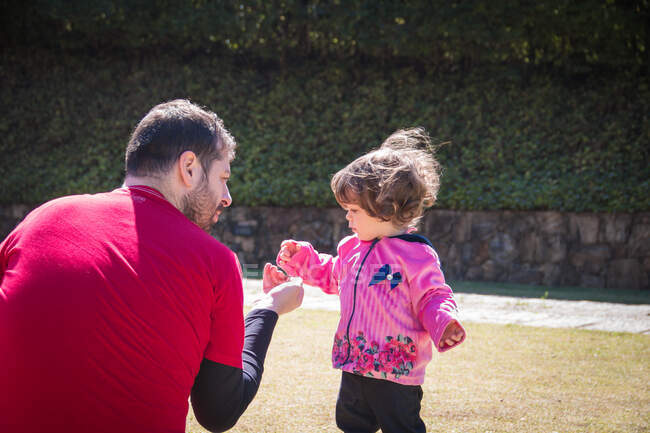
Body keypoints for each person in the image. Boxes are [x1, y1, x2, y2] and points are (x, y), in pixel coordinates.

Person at [0, 99, 304, 433]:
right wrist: (268, 307)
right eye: (223, 177)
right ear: (189, 167)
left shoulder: (42, 219)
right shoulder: (215, 261)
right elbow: (219, 412)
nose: (227, 196)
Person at [276, 127, 466, 433]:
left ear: (386, 209)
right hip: (355, 364)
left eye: (353, 210)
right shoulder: (351, 249)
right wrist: (302, 259)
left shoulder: (415, 255)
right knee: (349, 422)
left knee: (401, 427)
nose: (347, 218)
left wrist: (444, 322)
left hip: (396, 372)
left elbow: (433, 295)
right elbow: (333, 273)